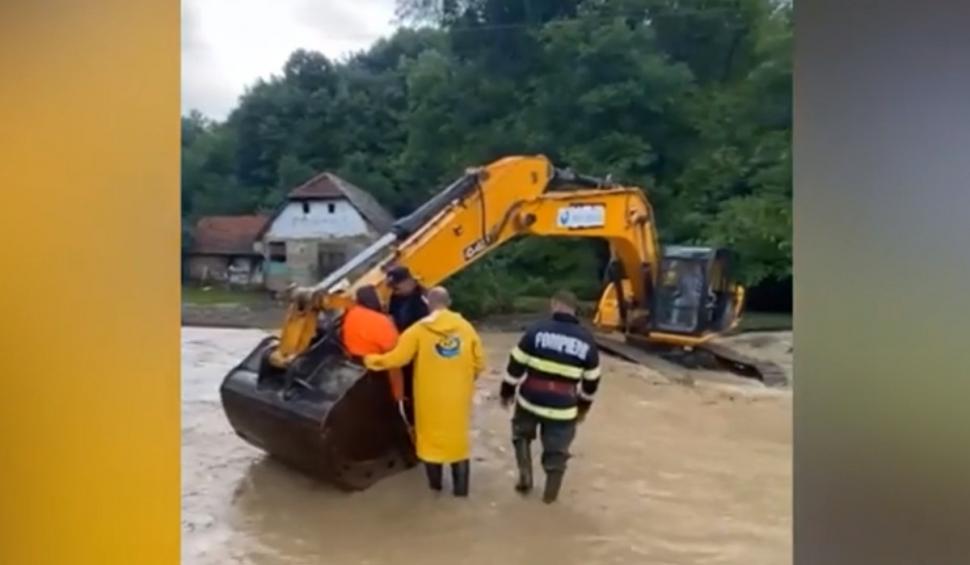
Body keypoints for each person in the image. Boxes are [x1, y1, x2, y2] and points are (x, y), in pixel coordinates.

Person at [364, 286, 485, 497]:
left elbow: (397, 358)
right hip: (457, 397)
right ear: (449, 302)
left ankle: (436, 491)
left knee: (430, 443)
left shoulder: (418, 330)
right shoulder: (466, 328)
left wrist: (370, 360)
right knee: (457, 443)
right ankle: (461, 494)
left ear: (427, 303)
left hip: (429, 398)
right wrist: (465, 379)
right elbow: (480, 363)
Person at [500, 289, 601, 503]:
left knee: (521, 435)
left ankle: (525, 474)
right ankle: (549, 498)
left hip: (530, 399)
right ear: (574, 310)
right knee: (557, 454)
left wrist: (506, 392)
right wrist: (582, 408)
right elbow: (592, 381)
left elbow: (515, 365)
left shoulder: (536, 331)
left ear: (554, 305)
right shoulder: (587, 340)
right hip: (563, 407)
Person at [385, 266, 430, 425]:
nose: (395, 290)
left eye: (397, 287)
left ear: (408, 282)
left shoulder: (424, 299)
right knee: (408, 392)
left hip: (423, 354)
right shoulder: (395, 298)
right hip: (405, 352)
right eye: (393, 288)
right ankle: (413, 423)